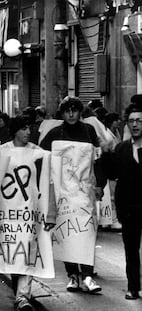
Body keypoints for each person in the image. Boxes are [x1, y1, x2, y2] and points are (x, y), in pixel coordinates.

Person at [0, 115, 56, 311]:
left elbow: (48, 183)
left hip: (30, 212)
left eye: (29, 128)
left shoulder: (39, 154)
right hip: (6, 211)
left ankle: (22, 297)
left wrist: (51, 213)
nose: (28, 132)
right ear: (15, 130)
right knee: (13, 253)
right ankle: (20, 292)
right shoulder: (1, 152)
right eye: (23, 128)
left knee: (29, 252)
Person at [40, 96, 104, 294]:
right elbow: (40, 158)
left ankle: (87, 275)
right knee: (66, 234)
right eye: (67, 110)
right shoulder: (54, 133)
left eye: (74, 110)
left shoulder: (89, 131)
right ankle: (73, 275)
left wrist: (100, 184)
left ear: (80, 112)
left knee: (86, 233)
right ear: (62, 113)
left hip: (85, 192)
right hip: (62, 193)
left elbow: (99, 159)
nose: (71, 114)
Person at [102, 98, 142, 299]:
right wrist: (107, 153)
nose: (135, 124)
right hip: (129, 208)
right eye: (131, 121)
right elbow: (111, 173)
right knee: (131, 251)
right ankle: (133, 287)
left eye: (139, 121)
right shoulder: (122, 148)